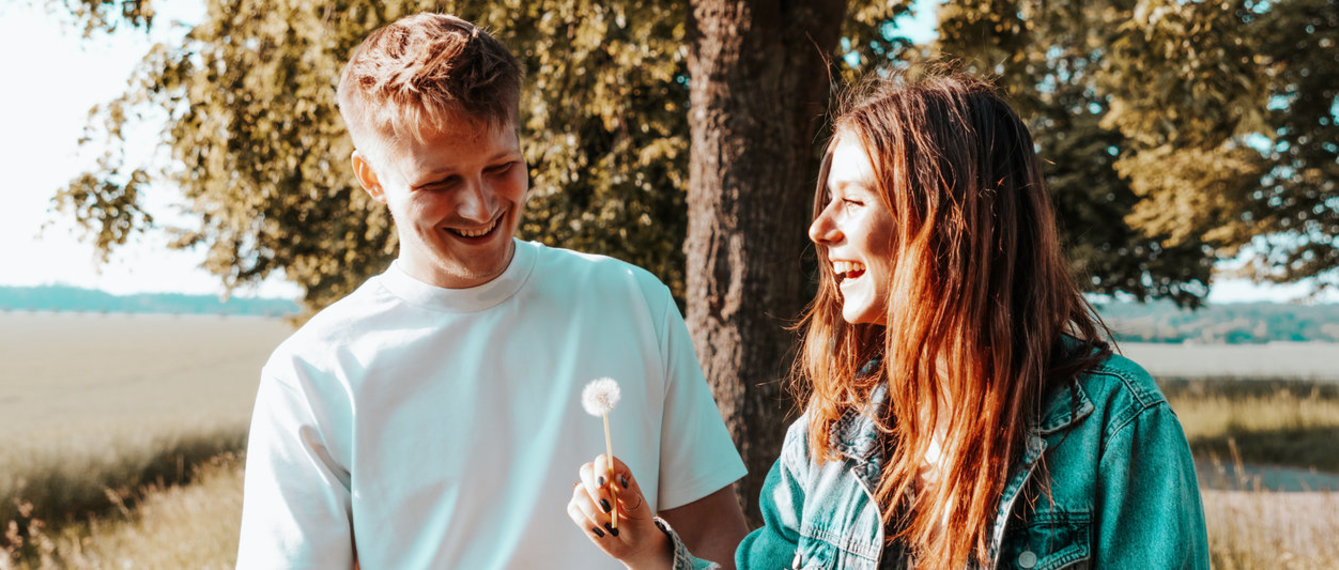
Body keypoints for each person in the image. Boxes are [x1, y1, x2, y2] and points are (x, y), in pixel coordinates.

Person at [567, 71, 1210, 569]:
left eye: (850, 201)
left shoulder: (1113, 425)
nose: (820, 230)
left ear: (946, 223)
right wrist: (649, 549)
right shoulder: (827, 434)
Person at [236, 13, 749, 569]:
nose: (480, 207)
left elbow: (714, 537)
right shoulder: (314, 373)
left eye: (501, 167)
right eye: (439, 182)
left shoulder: (633, 300)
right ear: (372, 177)